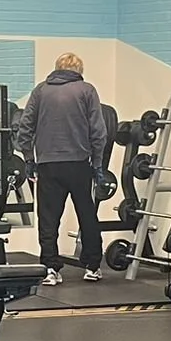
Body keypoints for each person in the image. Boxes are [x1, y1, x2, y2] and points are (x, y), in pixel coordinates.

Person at [15, 53, 109, 285]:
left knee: (48, 218)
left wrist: (29, 159)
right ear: (79, 69)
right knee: (87, 214)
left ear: (57, 68)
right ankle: (93, 266)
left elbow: (24, 128)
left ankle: (50, 268)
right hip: (79, 164)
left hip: (47, 164)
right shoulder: (87, 90)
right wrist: (97, 165)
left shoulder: (41, 91)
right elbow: (99, 132)